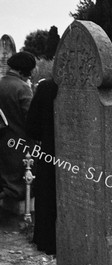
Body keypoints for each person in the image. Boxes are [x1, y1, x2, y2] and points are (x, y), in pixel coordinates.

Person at [26, 78, 58, 255]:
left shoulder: (47, 87)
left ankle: (48, 242)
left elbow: (32, 127)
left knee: (48, 193)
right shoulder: (87, 85)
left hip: (50, 152)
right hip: (79, 156)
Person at [0, 51, 36, 200]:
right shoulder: (22, 88)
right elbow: (32, 120)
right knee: (19, 183)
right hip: (20, 145)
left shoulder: (1, 83)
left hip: (2, 142)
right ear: (24, 71)